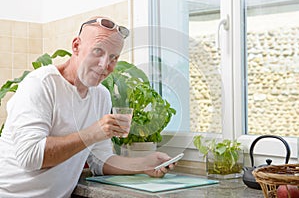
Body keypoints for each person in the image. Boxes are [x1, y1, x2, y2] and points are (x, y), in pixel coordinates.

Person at [0, 16, 175, 198]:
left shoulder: (101, 96)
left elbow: (100, 161)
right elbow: (30, 156)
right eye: (98, 51)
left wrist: (145, 164)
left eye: (113, 57)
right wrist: (93, 133)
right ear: (76, 46)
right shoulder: (41, 84)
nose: (104, 65)